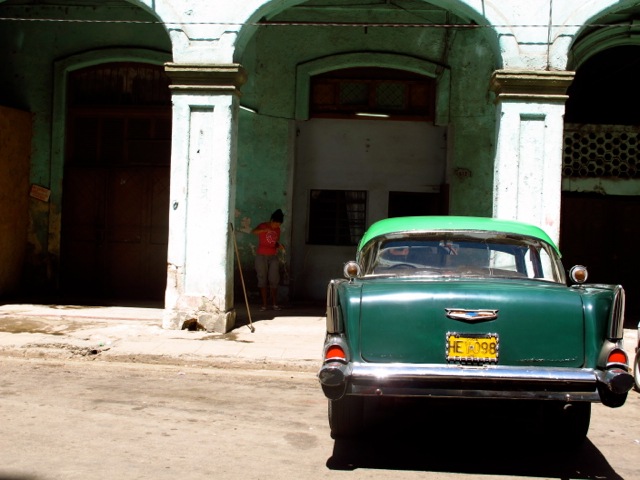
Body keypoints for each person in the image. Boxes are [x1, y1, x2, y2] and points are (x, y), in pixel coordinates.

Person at [251, 209, 285, 311]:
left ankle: (275, 304)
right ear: (272, 220)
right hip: (261, 256)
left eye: (279, 224)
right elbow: (253, 231)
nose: (277, 226)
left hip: (273, 256)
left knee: (274, 279)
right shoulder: (263, 225)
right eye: (276, 223)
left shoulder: (278, 230)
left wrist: (280, 246)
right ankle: (264, 305)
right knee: (262, 279)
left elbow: (275, 242)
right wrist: (263, 230)